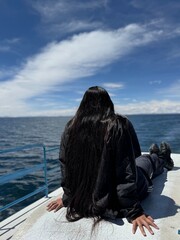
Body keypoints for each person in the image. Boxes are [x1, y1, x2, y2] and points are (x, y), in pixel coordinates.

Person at [47, 86, 174, 237]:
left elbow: (65, 166)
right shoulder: (117, 125)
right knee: (144, 163)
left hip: (89, 199)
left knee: (142, 162)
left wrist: (68, 198)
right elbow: (128, 167)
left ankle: (157, 156)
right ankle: (161, 158)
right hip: (115, 200)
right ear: (108, 103)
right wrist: (133, 211)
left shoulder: (70, 128)